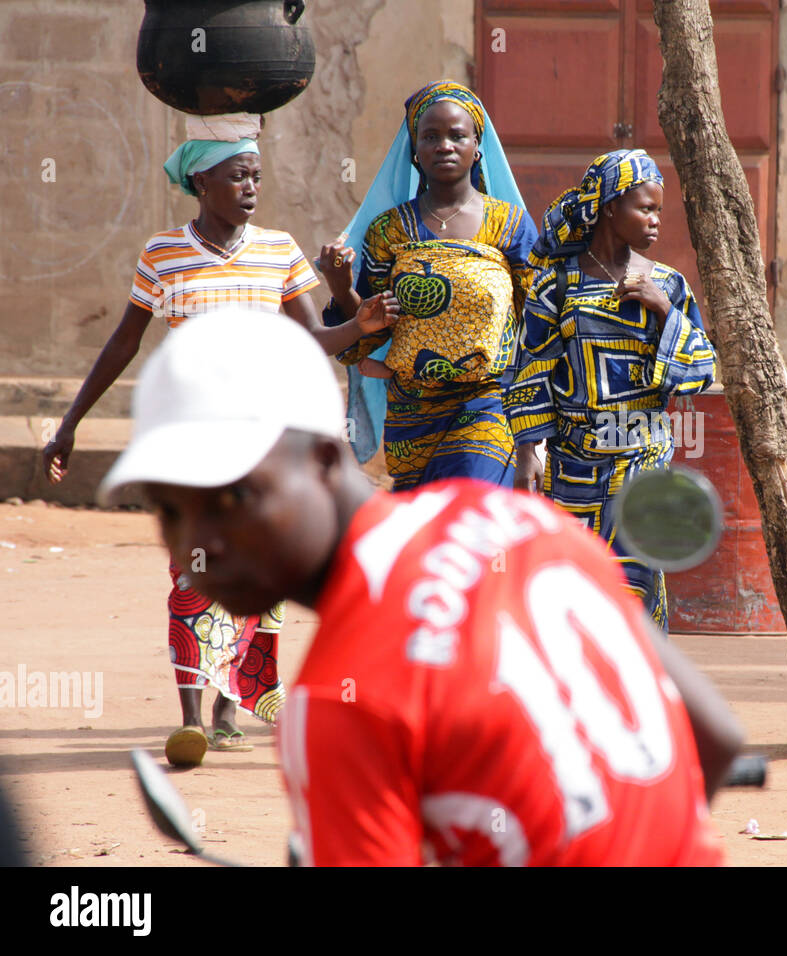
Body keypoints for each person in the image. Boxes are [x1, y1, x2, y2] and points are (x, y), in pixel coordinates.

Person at [99, 310, 743, 866]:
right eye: (170, 510)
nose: (198, 545)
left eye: (235, 496)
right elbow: (714, 736)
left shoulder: (337, 703)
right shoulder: (516, 521)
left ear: (325, 459)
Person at [41, 120, 397, 767]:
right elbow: (124, 341)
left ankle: (233, 706)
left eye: (257, 175)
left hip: (267, 445)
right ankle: (191, 715)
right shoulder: (164, 254)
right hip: (192, 444)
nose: (251, 187)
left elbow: (309, 341)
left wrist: (359, 327)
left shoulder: (279, 252)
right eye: (237, 176)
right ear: (201, 182)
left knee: (263, 568)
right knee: (193, 574)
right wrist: (70, 423)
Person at [508, 150, 716, 628]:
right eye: (645, 208)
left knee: (635, 588)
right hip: (573, 467)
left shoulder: (667, 283)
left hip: (644, 463)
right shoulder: (556, 288)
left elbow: (702, 368)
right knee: (571, 590)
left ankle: (637, 695)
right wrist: (527, 457)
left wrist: (664, 309)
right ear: (608, 209)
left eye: (660, 211)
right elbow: (530, 372)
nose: (656, 221)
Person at [319, 81, 538, 490]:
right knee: (427, 537)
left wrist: (529, 444)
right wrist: (339, 285)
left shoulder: (509, 226)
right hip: (411, 418)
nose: (444, 145)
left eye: (458, 135)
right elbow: (365, 335)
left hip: (487, 404)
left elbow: (541, 327)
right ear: (415, 152)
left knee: (472, 516)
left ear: (478, 147)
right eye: (430, 136)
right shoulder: (390, 232)